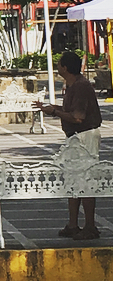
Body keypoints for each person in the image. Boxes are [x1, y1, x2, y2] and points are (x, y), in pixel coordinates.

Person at [36, 51, 103, 240]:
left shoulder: (81, 87)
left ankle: (90, 225)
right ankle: (73, 224)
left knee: (86, 180)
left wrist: (55, 113)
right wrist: (51, 109)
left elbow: (77, 117)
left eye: (59, 65)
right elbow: (70, 111)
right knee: (73, 180)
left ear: (65, 68)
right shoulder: (73, 85)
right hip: (75, 136)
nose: (57, 68)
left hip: (84, 136)